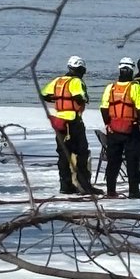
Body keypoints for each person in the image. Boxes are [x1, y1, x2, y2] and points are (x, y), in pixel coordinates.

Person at [41, 55, 103, 195]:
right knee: (82, 154)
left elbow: (43, 94)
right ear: (80, 69)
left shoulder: (58, 80)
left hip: (59, 121)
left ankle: (65, 186)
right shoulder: (76, 82)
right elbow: (79, 97)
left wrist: (58, 99)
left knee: (63, 155)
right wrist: (83, 98)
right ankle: (85, 186)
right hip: (73, 122)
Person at [100, 57, 140, 199]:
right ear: (132, 70)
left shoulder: (110, 88)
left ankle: (111, 191)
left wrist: (108, 124)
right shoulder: (135, 88)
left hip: (113, 130)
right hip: (132, 130)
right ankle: (133, 191)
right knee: (132, 161)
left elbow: (104, 108)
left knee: (113, 162)